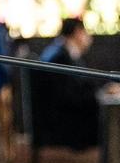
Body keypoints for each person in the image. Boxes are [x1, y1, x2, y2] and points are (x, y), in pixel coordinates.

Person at [29, 17, 115, 151]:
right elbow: (69, 97)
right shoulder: (60, 58)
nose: (89, 37)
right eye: (86, 32)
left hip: (65, 119)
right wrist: (101, 94)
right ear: (78, 32)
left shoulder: (62, 53)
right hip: (63, 126)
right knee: (114, 124)